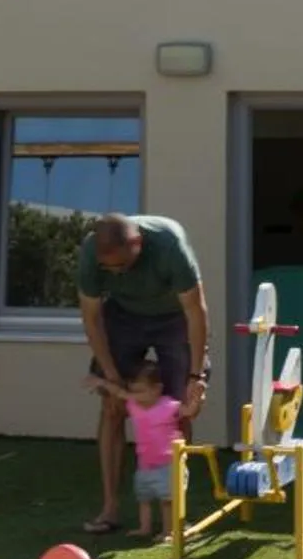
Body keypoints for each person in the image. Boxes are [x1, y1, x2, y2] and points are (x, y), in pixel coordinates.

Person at [78, 212, 209, 534]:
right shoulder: (91, 252)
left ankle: (175, 512)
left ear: (137, 242)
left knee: (180, 409)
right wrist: (111, 375)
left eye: (122, 265)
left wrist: (196, 377)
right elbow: (92, 318)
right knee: (111, 407)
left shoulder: (169, 244)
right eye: (109, 269)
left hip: (175, 318)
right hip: (123, 317)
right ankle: (110, 508)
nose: (116, 273)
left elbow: (195, 311)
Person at [83, 359, 181, 537]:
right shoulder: (134, 406)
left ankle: (169, 531)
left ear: (157, 389)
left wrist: (196, 396)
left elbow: (188, 411)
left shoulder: (169, 405)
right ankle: (145, 528)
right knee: (144, 499)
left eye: (141, 392)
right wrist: (101, 382)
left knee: (167, 500)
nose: (135, 396)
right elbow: (119, 392)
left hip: (167, 463)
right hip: (145, 463)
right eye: (133, 391)